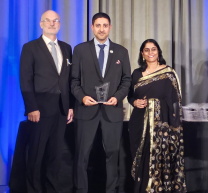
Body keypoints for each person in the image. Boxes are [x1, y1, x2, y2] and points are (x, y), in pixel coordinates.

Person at [71, 12, 131, 193]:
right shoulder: (80, 50)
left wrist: (118, 97)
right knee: (81, 155)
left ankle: (111, 190)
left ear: (110, 27)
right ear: (92, 27)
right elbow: (73, 81)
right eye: (98, 25)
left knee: (112, 155)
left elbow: (127, 80)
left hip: (112, 111)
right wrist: (81, 97)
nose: (102, 29)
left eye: (105, 25)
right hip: (85, 111)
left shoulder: (121, 51)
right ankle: (81, 190)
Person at [19, 10, 74, 193]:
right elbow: (25, 80)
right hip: (39, 110)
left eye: (56, 20)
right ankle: (33, 190)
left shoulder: (67, 48)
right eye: (48, 21)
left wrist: (71, 106)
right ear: (41, 24)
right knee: (36, 154)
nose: (52, 23)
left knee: (55, 156)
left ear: (59, 24)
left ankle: (52, 190)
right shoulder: (30, 47)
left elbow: (69, 80)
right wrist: (31, 107)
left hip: (61, 110)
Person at [127, 39, 186, 193]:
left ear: (158, 51)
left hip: (162, 126)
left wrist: (157, 107)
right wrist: (135, 102)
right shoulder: (136, 73)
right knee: (142, 157)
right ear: (142, 53)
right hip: (140, 122)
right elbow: (130, 97)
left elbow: (176, 101)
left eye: (153, 49)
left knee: (159, 157)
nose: (150, 52)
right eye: (147, 50)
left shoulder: (168, 73)